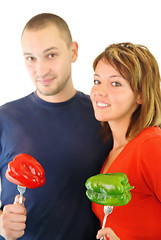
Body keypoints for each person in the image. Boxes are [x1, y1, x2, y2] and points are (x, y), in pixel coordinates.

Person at [0, 13, 112, 240]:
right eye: (31, 58)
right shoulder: (5, 118)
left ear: (73, 51)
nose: (41, 70)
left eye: (50, 55)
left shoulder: (104, 117)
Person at [90, 42, 161, 240]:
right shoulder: (112, 150)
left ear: (140, 94)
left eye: (115, 83)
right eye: (97, 81)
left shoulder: (152, 147)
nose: (99, 92)